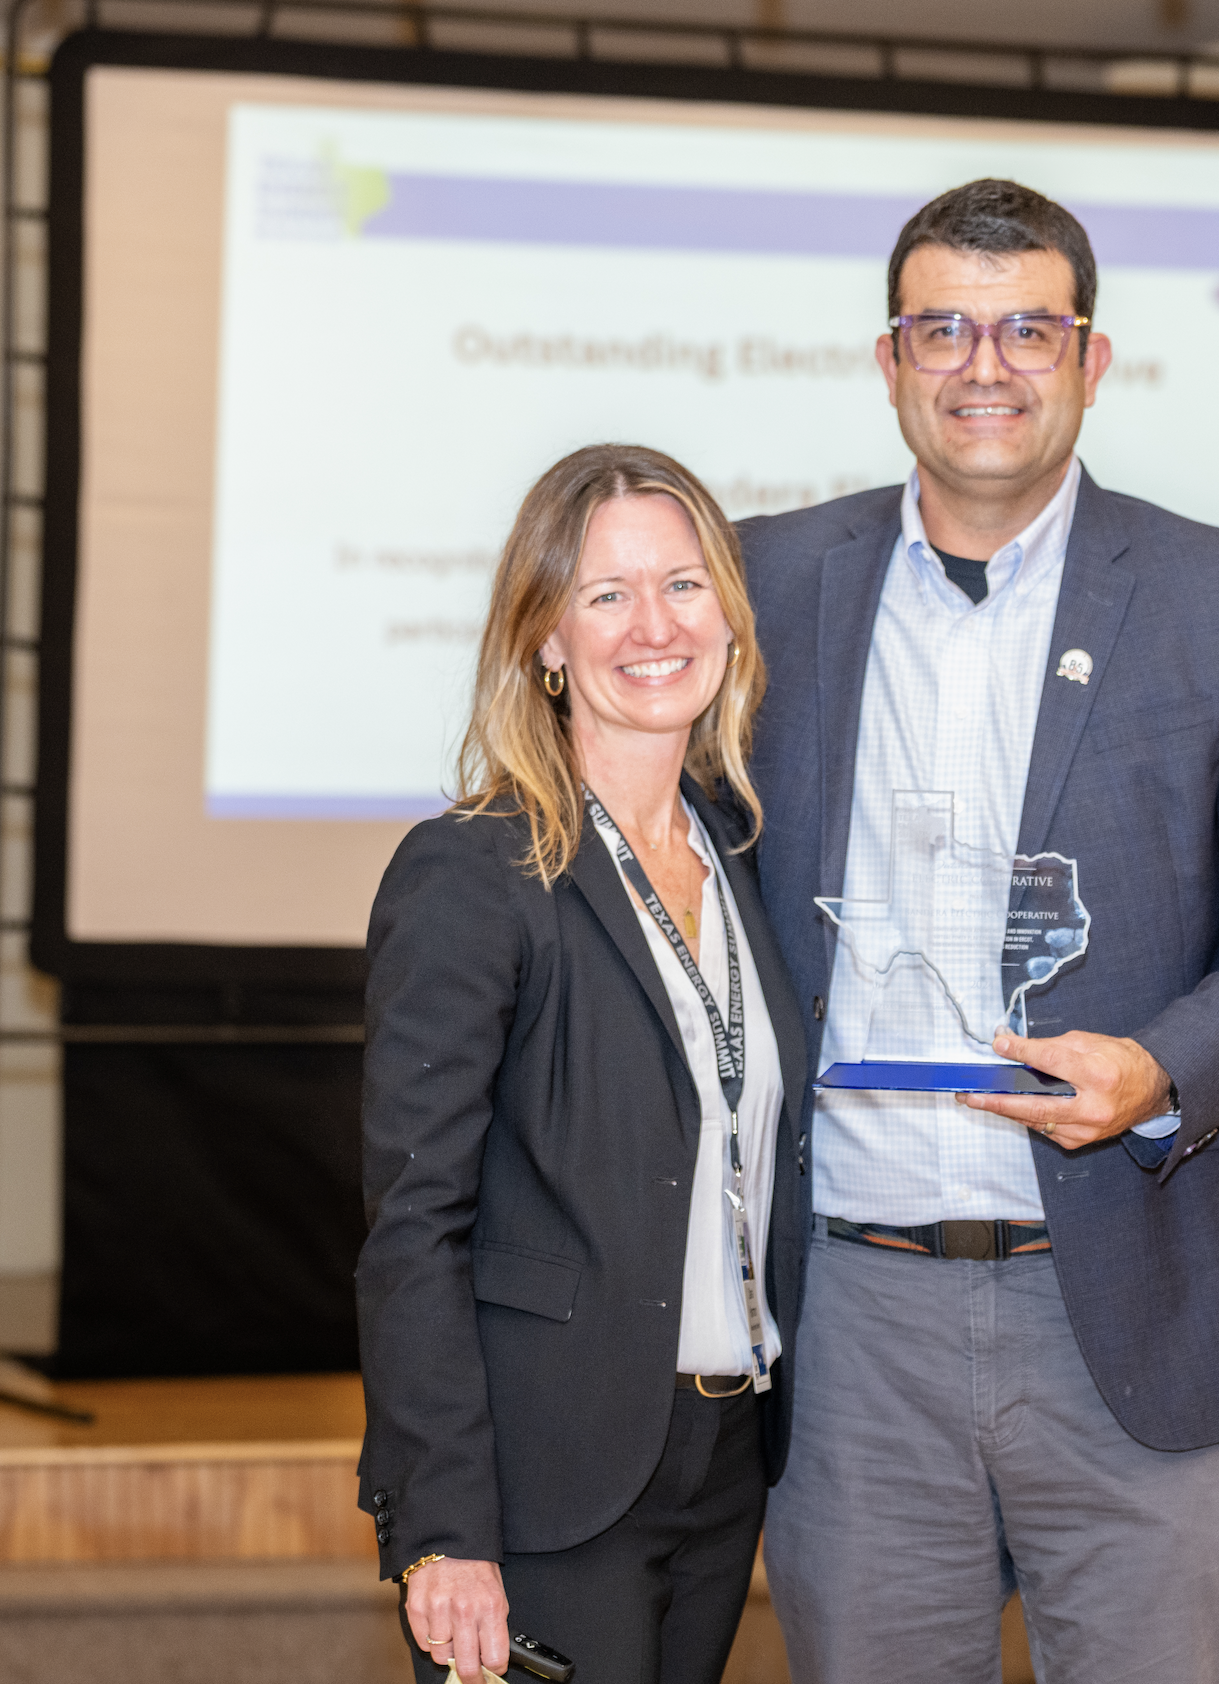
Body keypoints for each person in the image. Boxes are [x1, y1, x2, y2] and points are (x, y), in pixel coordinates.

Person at [742, 178, 1219, 1682]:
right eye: (944, 328)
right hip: (851, 1321)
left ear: (1092, 361)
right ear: (889, 359)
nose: (986, 364)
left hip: (1146, 1294)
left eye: (1030, 327)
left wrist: (1158, 1068)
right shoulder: (764, 585)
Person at [356, 443, 807, 1684]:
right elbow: (414, 1221)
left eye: (684, 584)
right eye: (605, 594)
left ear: (728, 613)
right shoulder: (472, 871)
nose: (651, 626)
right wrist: (443, 1524)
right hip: (547, 1479)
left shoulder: (743, 858)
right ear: (546, 636)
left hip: (723, 1459)